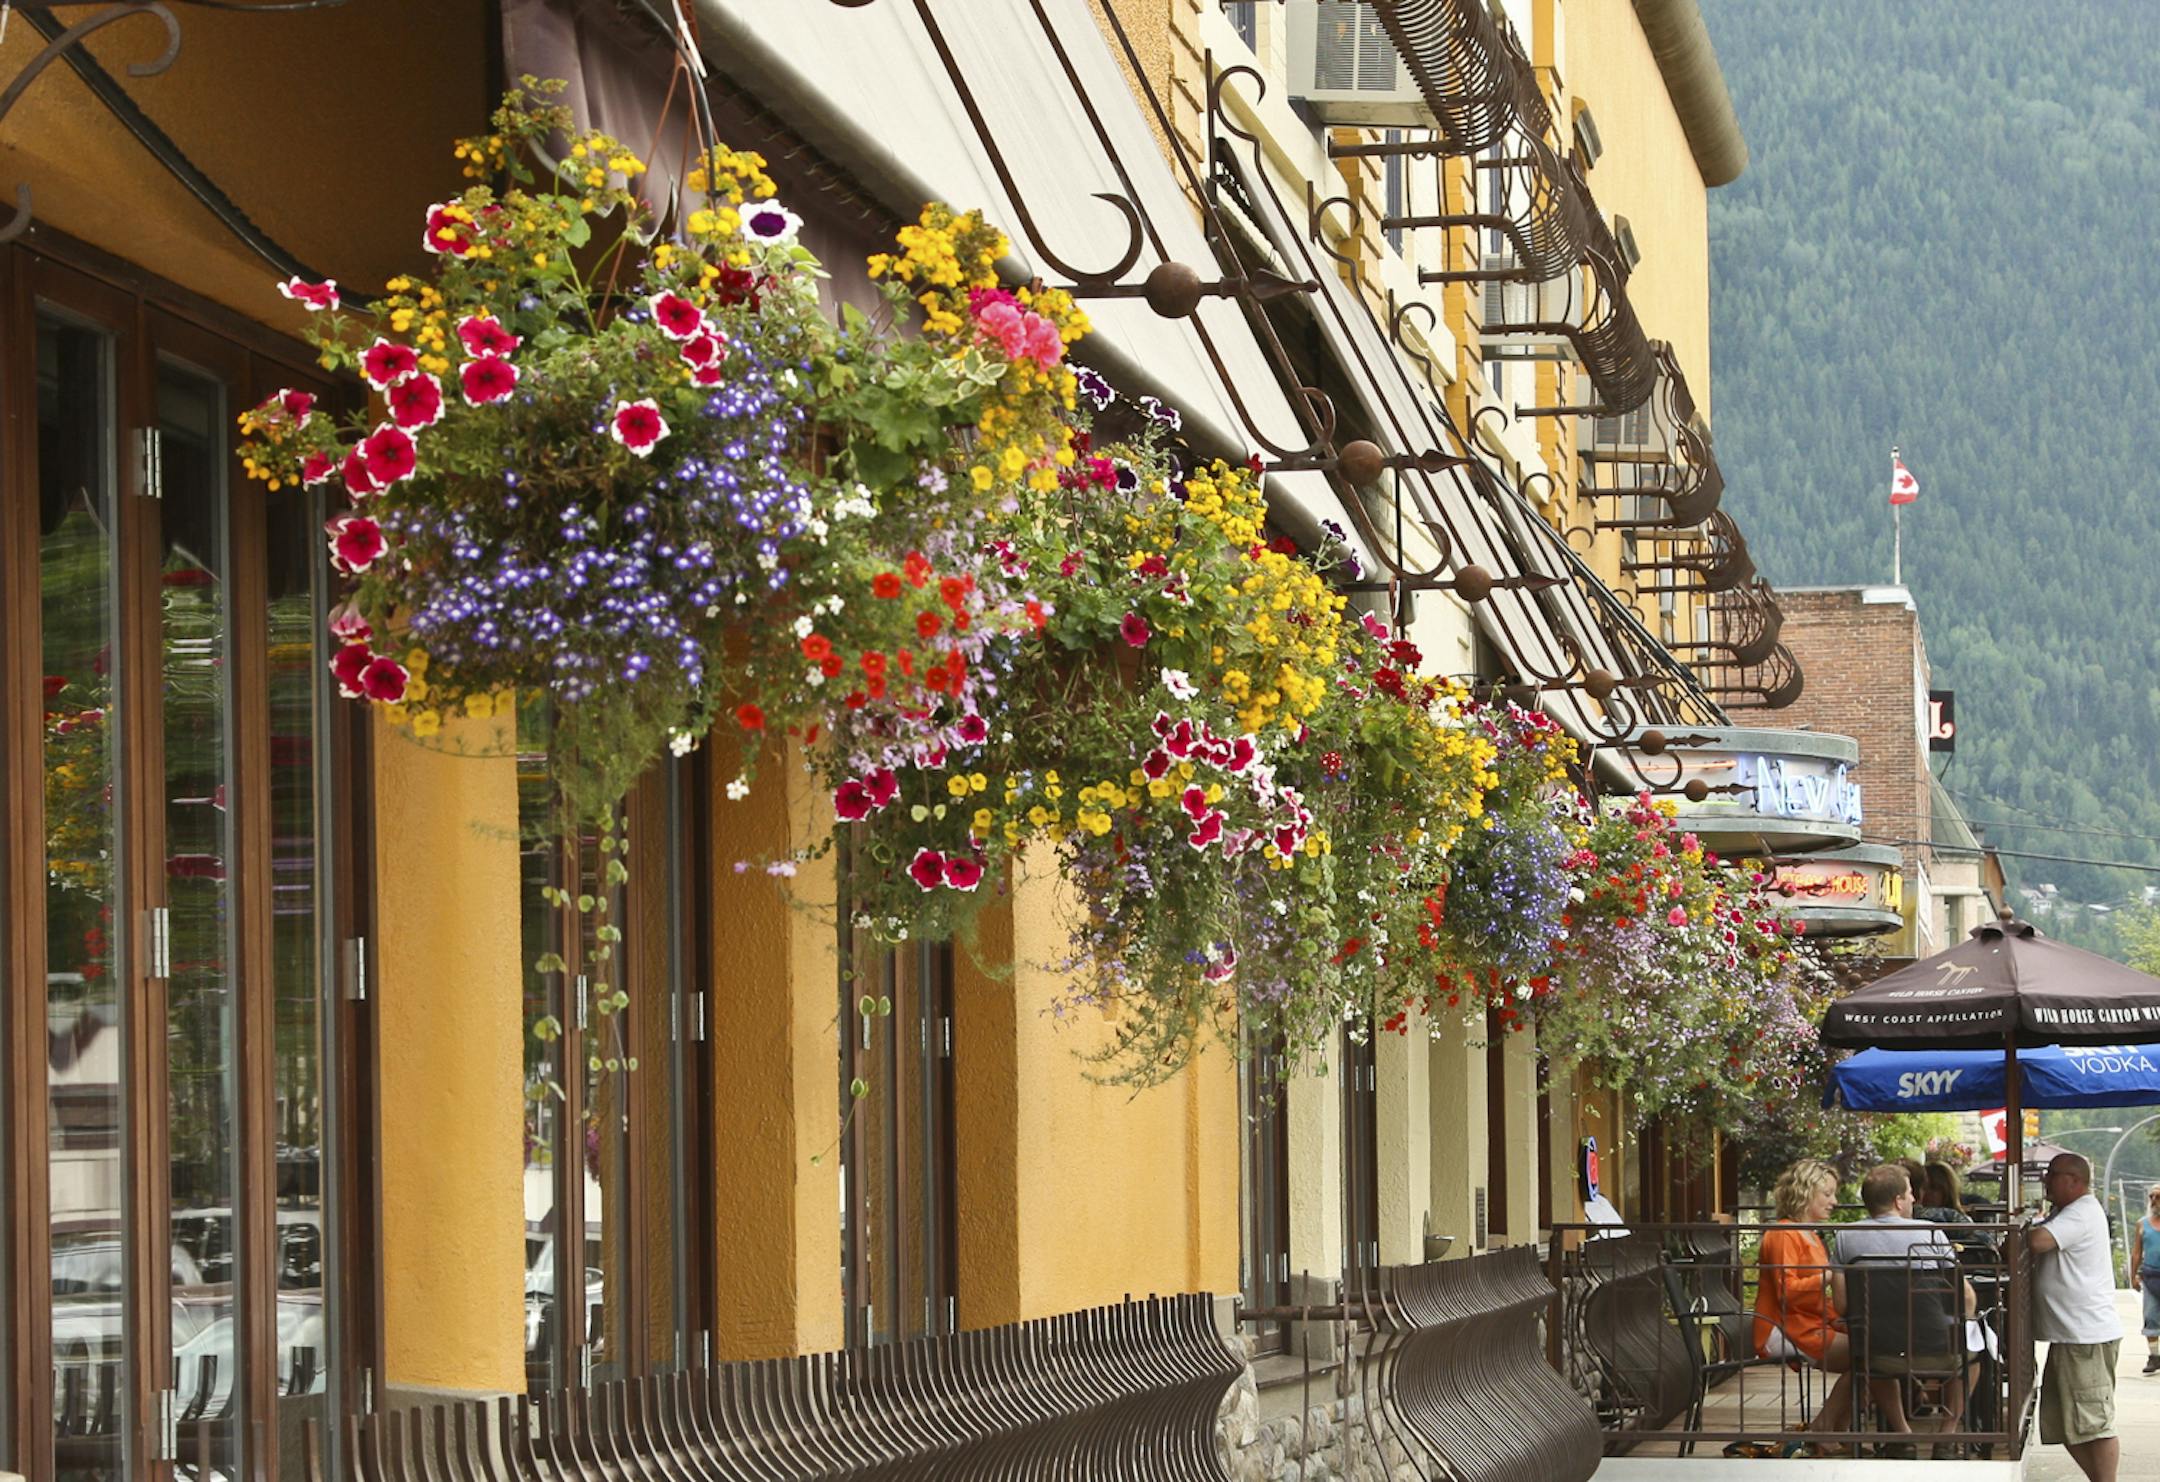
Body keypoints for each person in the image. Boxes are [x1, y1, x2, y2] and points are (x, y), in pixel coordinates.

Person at [1834, 1163, 1980, 1452]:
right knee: (1974, 1357)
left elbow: (1842, 1305)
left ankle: (1902, 1434)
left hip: (1879, 1353)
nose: (1915, 1199)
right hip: (1940, 1352)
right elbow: (1965, 1300)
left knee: (1871, 1353)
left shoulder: (1845, 1237)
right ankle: (1947, 1436)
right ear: (1898, 1201)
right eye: (1910, 1193)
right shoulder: (1930, 1234)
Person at [1752, 1159, 1860, 1456]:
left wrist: (1841, 1319)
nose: (1834, 1202)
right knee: (1868, 1357)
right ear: (1805, 1193)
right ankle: (1825, 1430)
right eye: (1827, 1194)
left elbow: (1811, 1297)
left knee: (1873, 1351)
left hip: (1804, 1321)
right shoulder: (1783, 1233)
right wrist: (1830, 1274)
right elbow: (1787, 1293)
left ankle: (1836, 1434)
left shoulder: (1808, 1233)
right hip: (1783, 1326)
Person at [2027, 1152, 2124, 1482]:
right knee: (2064, 1423)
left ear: (2074, 1180)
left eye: (2053, 1174)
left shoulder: (2081, 1212)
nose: (2046, 1181)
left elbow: (2039, 1241)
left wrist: (2023, 1233)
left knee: (2093, 1423)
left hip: (2086, 1336)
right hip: (2070, 1335)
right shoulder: (2068, 1212)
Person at [2134, 1185, 2160, 1375]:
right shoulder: (2142, 1224)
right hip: (2150, 1276)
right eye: (2151, 1196)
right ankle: (2154, 1356)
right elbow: (2137, 1253)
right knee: (2150, 1316)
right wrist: (2133, 1275)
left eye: (2158, 1196)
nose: (2154, 1200)